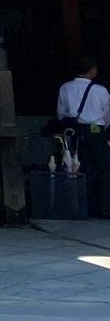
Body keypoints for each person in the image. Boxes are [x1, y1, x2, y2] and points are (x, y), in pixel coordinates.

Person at [55, 58, 110, 215]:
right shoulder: (100, 90)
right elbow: (107, 114)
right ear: (92, 70)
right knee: (103, 168)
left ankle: (83, 207)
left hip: (75, 131)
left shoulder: (65, 88)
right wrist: (103, 128)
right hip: (96, 131)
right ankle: (104, 208)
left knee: (78, 167)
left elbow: (61, 113)